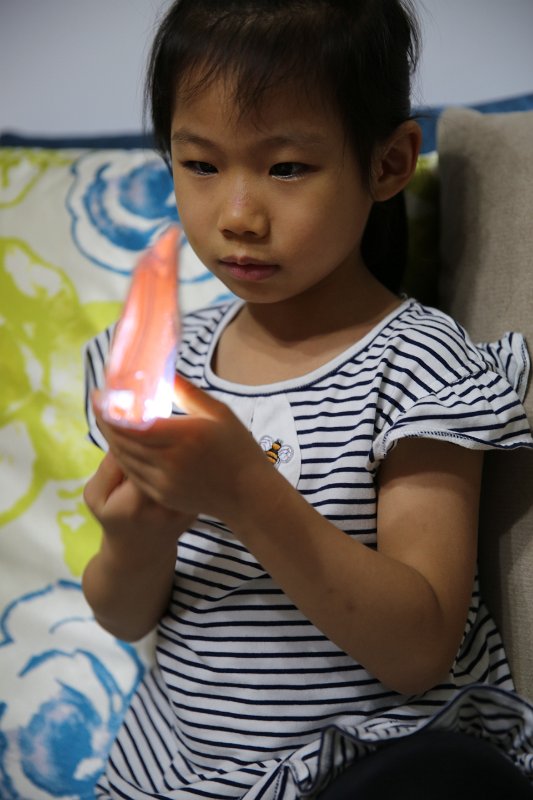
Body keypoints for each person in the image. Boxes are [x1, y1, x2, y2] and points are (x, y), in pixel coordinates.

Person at [82, 1, 533, 797]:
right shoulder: (160, 367)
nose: (238, 217)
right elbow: (123, 616)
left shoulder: (417, 364)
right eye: (200, 164)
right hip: (184, 778)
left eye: (286, 168)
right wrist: (133, 539)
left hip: (371, 765)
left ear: (387, 165)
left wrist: (246, 490)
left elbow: (418, 650)